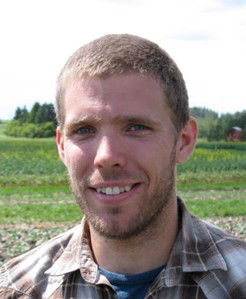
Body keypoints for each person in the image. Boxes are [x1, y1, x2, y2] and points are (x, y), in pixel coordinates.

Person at [0, 34, 245, 299]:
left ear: (183, 141)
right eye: (84, 129)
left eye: (136, 127)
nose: (106, 156)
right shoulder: (17, 291)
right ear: (62, 146)